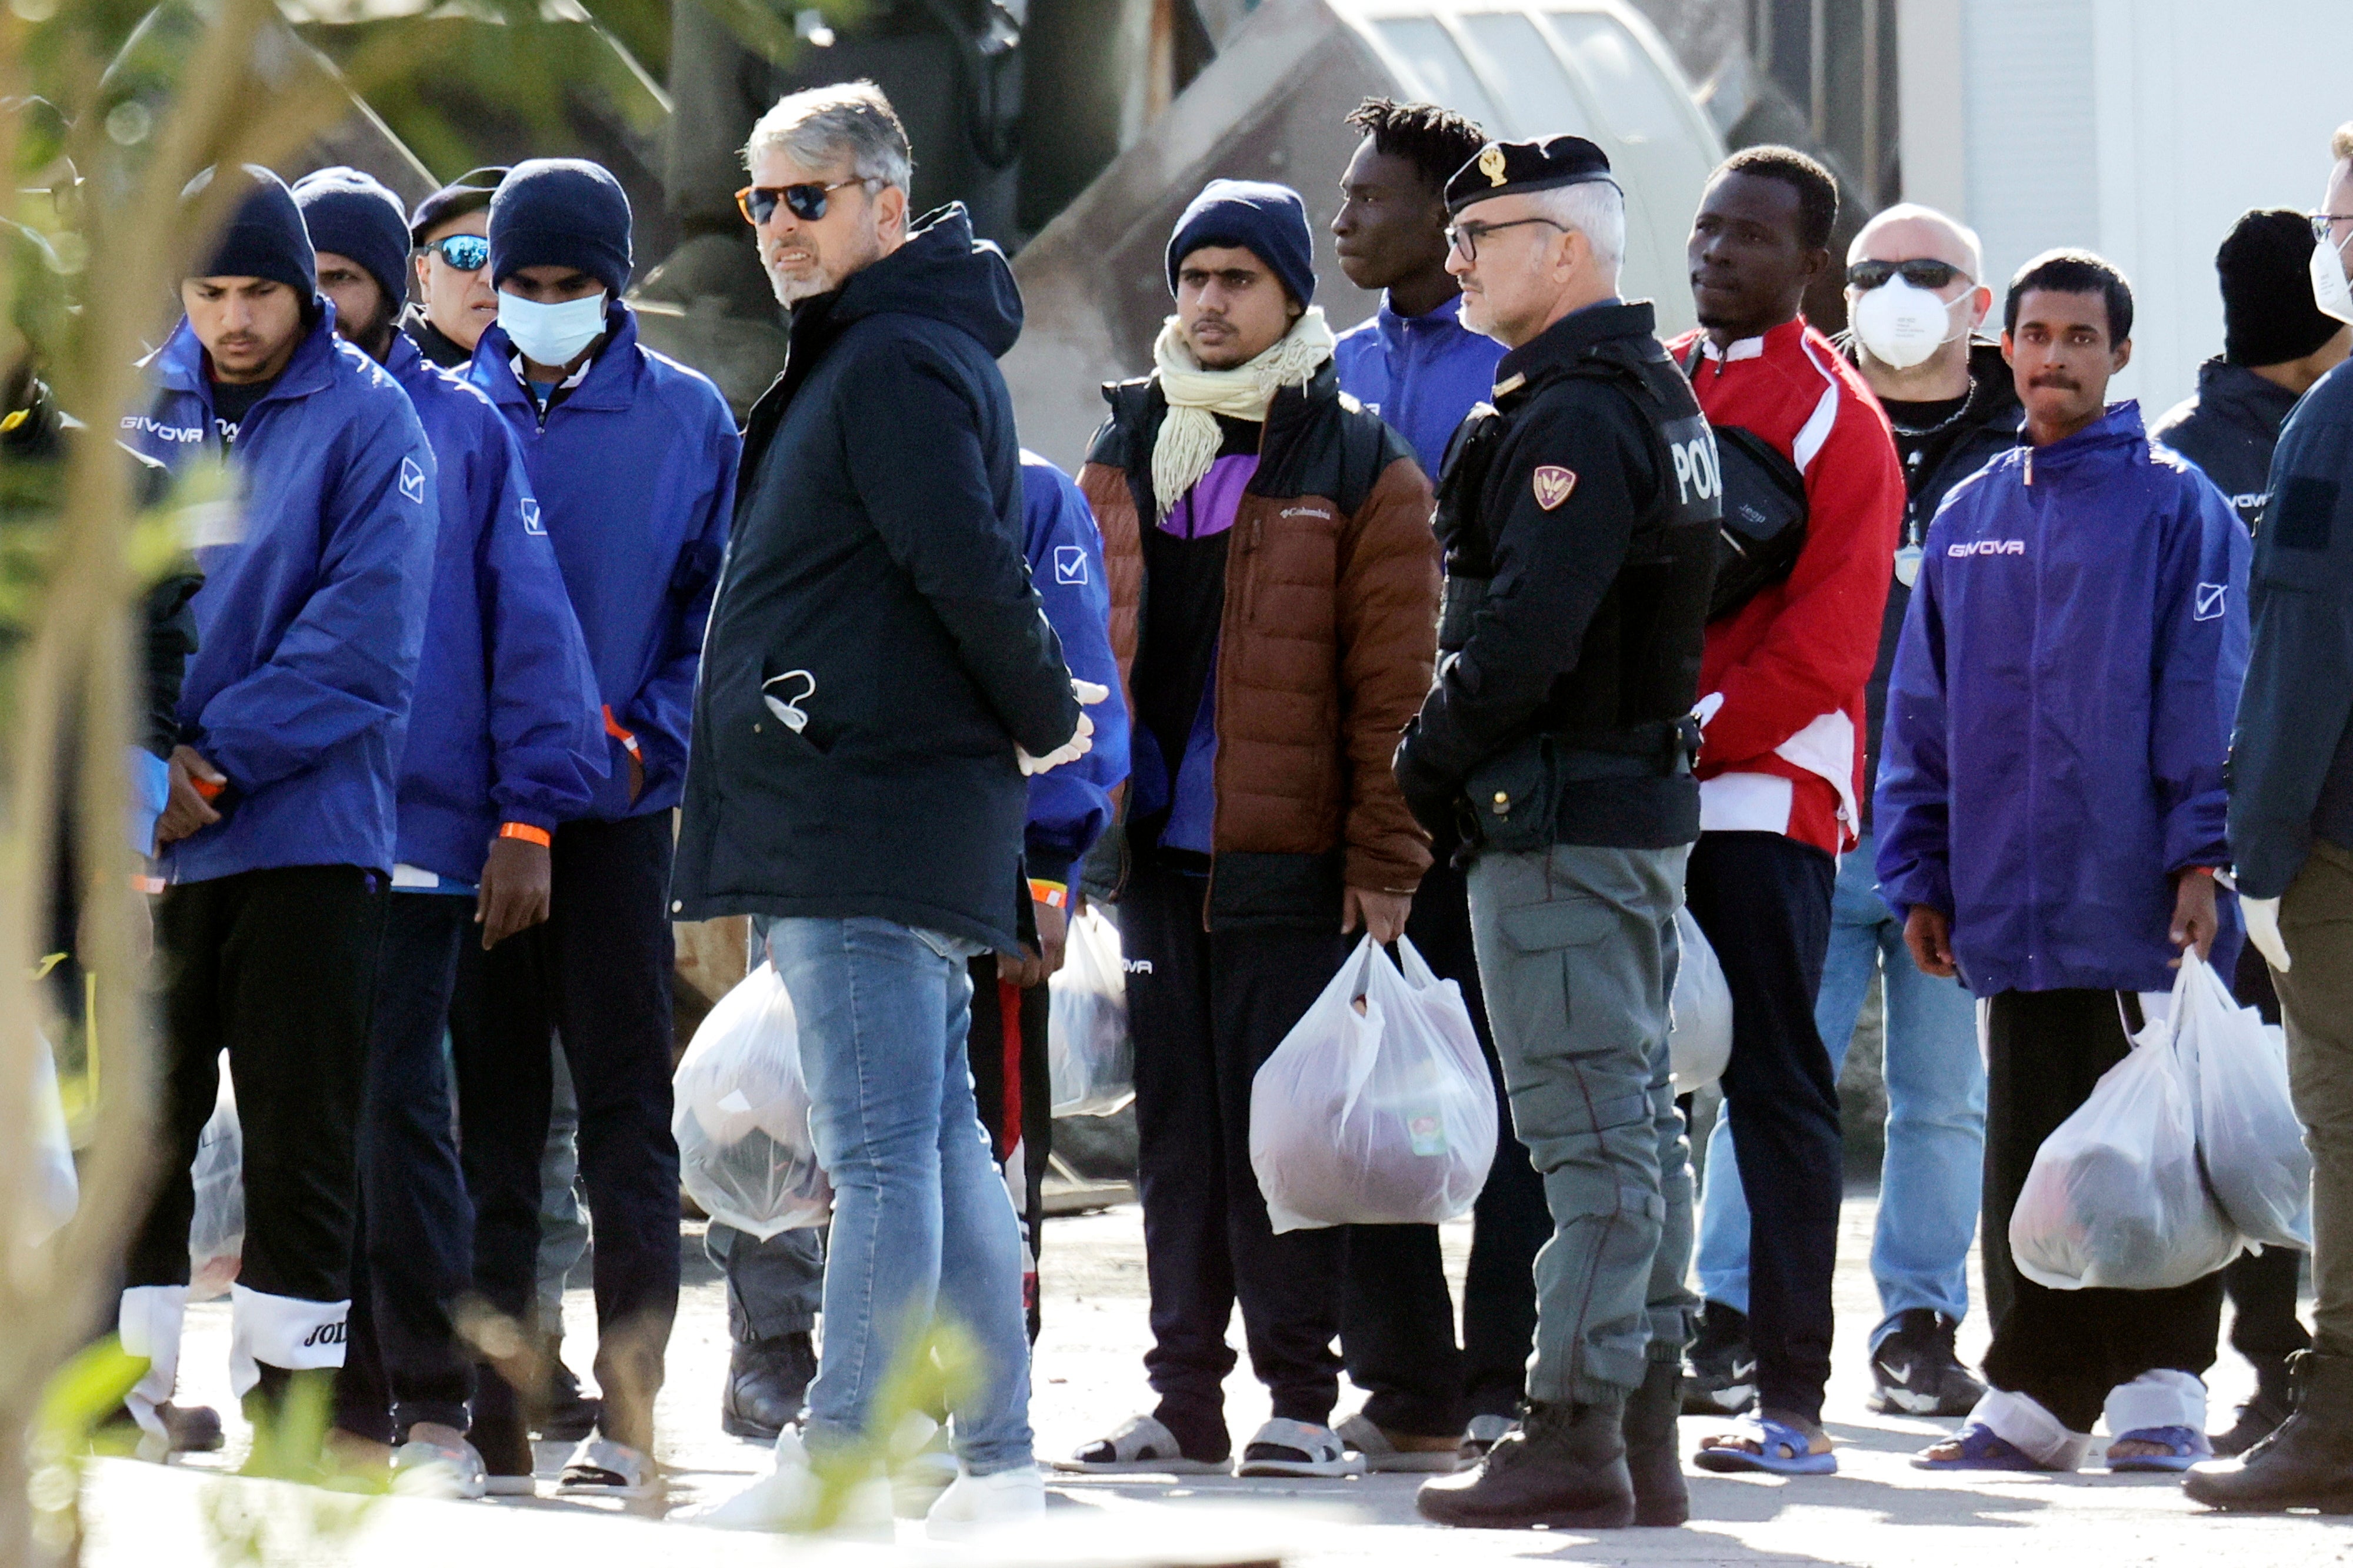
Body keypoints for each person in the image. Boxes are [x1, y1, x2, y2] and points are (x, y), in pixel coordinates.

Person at [671, 81, 1086, 1537]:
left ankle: (842, 1453)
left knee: (882, 1150)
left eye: (809, 196)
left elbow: (968, 567)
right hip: (880, 800)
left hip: (866, 807)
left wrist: (1045, 719)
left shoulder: (893, 355)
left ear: (887, 205)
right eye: (760, 201)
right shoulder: (881, 346)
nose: (779, 226)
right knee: (939, 1142)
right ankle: (999, 1463)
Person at [1060, 176, 1438, 1481]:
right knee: (1174, 1138)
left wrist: (1385, 860)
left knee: (1287, 1142)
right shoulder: (1123, 446)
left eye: (1237, 279)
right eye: (1192, 277)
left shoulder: (1355, 455)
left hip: (1292, 861)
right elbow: (1076, 653)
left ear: (1290, 294)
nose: (1208, 303)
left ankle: (1294, 1396)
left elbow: (1395, 687)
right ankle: (1183, 1395)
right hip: (1155, 856)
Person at [1881, 249, 2250, 1476]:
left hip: (2139, 896)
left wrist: (2199, 856)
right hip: (2006, 895)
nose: (2049, 357)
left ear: (2118, 354)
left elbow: (2208, 693)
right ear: (2006, 347)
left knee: (2159, 1142)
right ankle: (2033, 1387)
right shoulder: (1971, 514)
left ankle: (2160, 1379)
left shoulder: (2174, 503)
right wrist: (1920, 870)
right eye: (2032, 335)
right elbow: (1919, 710)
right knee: (2028, 1141)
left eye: (2076, 338)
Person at [1395, 135, 1718, 1531]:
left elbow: (1529, 631)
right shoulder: (1633, 391)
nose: (1454, 259)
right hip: (1615, 802)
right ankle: (1637, 1432)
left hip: (1563, 812)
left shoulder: (1577, 412)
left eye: (1484, 235)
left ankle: (1574, 1421)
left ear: (1567, 249)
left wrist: (1423, 754)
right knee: (1634, 1120)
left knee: (1588, 1133)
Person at [712, 448, 1129, 1444]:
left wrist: (1044, 870)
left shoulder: (1019, 492)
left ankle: (915, 1416)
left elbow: (1071, 691)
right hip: (816, 856)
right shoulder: (797, 472)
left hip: (963, 867)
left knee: (923, 1145)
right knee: (798, 1114)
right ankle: (790, 1353)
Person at [292, 168, 605, 1496]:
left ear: (384, 287)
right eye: (285, 281)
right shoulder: (215, 425)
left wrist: (531, 807)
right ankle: (331, 1402)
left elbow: (534, 634)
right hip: (273, 832)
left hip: (416, 831)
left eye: (340, 279)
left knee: (403, 1111)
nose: (315, 307)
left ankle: (435, 1404)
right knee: (315, 1123)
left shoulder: (463, 431)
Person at [115, 164, 436, 1444]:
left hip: (305, 832)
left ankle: (292, 1408)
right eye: (210, 292)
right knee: (138, 1125)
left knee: (303, 1132)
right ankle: (122, 1397)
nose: (234, 319)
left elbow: (365, 637)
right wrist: (144, 770)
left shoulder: (372, 423)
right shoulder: (136, 406)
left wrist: (210, 762)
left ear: (305, 290)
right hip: (148, 839)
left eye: (259, 291)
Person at [1684, 200, 2006, 1423]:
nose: (1898, 292)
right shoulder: (1805, 411)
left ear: (1975, 303)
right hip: (1812, 806)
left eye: (1928, 273)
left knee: (1940, 1093)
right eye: (1875, 271)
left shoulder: (2010, 434)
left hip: (1960, 821)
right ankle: (1723, 1312)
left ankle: (1917, 1321)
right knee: (1761, 1072)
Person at [448, 156, 739, 1497]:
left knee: (628, 1115)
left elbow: (711, 620)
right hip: (481, 828)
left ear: (617, 286)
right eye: (524, 284)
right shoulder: (451, 414)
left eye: (573, 286)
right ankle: (492, 1407)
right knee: (491, 1120)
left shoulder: (686, 420)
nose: (546, 306)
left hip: (617, 815)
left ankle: (629, 1416)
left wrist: (641, 747)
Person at [1668, 147, 1904, 1474]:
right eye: (1705, 229)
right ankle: (1613, 1374)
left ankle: (1793, 1404)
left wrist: (1694, 736)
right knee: (1625, 1092)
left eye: (1751, 238)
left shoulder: (1838, 416)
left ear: (1812, 267)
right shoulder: (1655, 378)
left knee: (1772, 1086)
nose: (1717, 253)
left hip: (1763, 794)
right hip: (1635, 793)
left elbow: (1829, 642)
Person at [1327, 95, 1549, 1469]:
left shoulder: (1515, 366)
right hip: (1356, 792)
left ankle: (1502, 1364)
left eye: (1366, 198)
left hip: (1489, 789)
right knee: (1374, 1080)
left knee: (1517, 1091)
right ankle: (1399, 1375)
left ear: (1441, 215)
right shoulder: (1326, 369)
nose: (1343, 218)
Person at [2152, 205, 2345, 1459]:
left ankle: (2332, 1406)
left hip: (2334, 831)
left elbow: (2302, 652)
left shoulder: (2332, 416)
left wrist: (2257, 850)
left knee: (2338, 1115)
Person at [405, 167, 509, 368]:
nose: (490, 277)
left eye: (508, 255)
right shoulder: (374, 386)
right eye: (465, 252)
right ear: (425, 274)